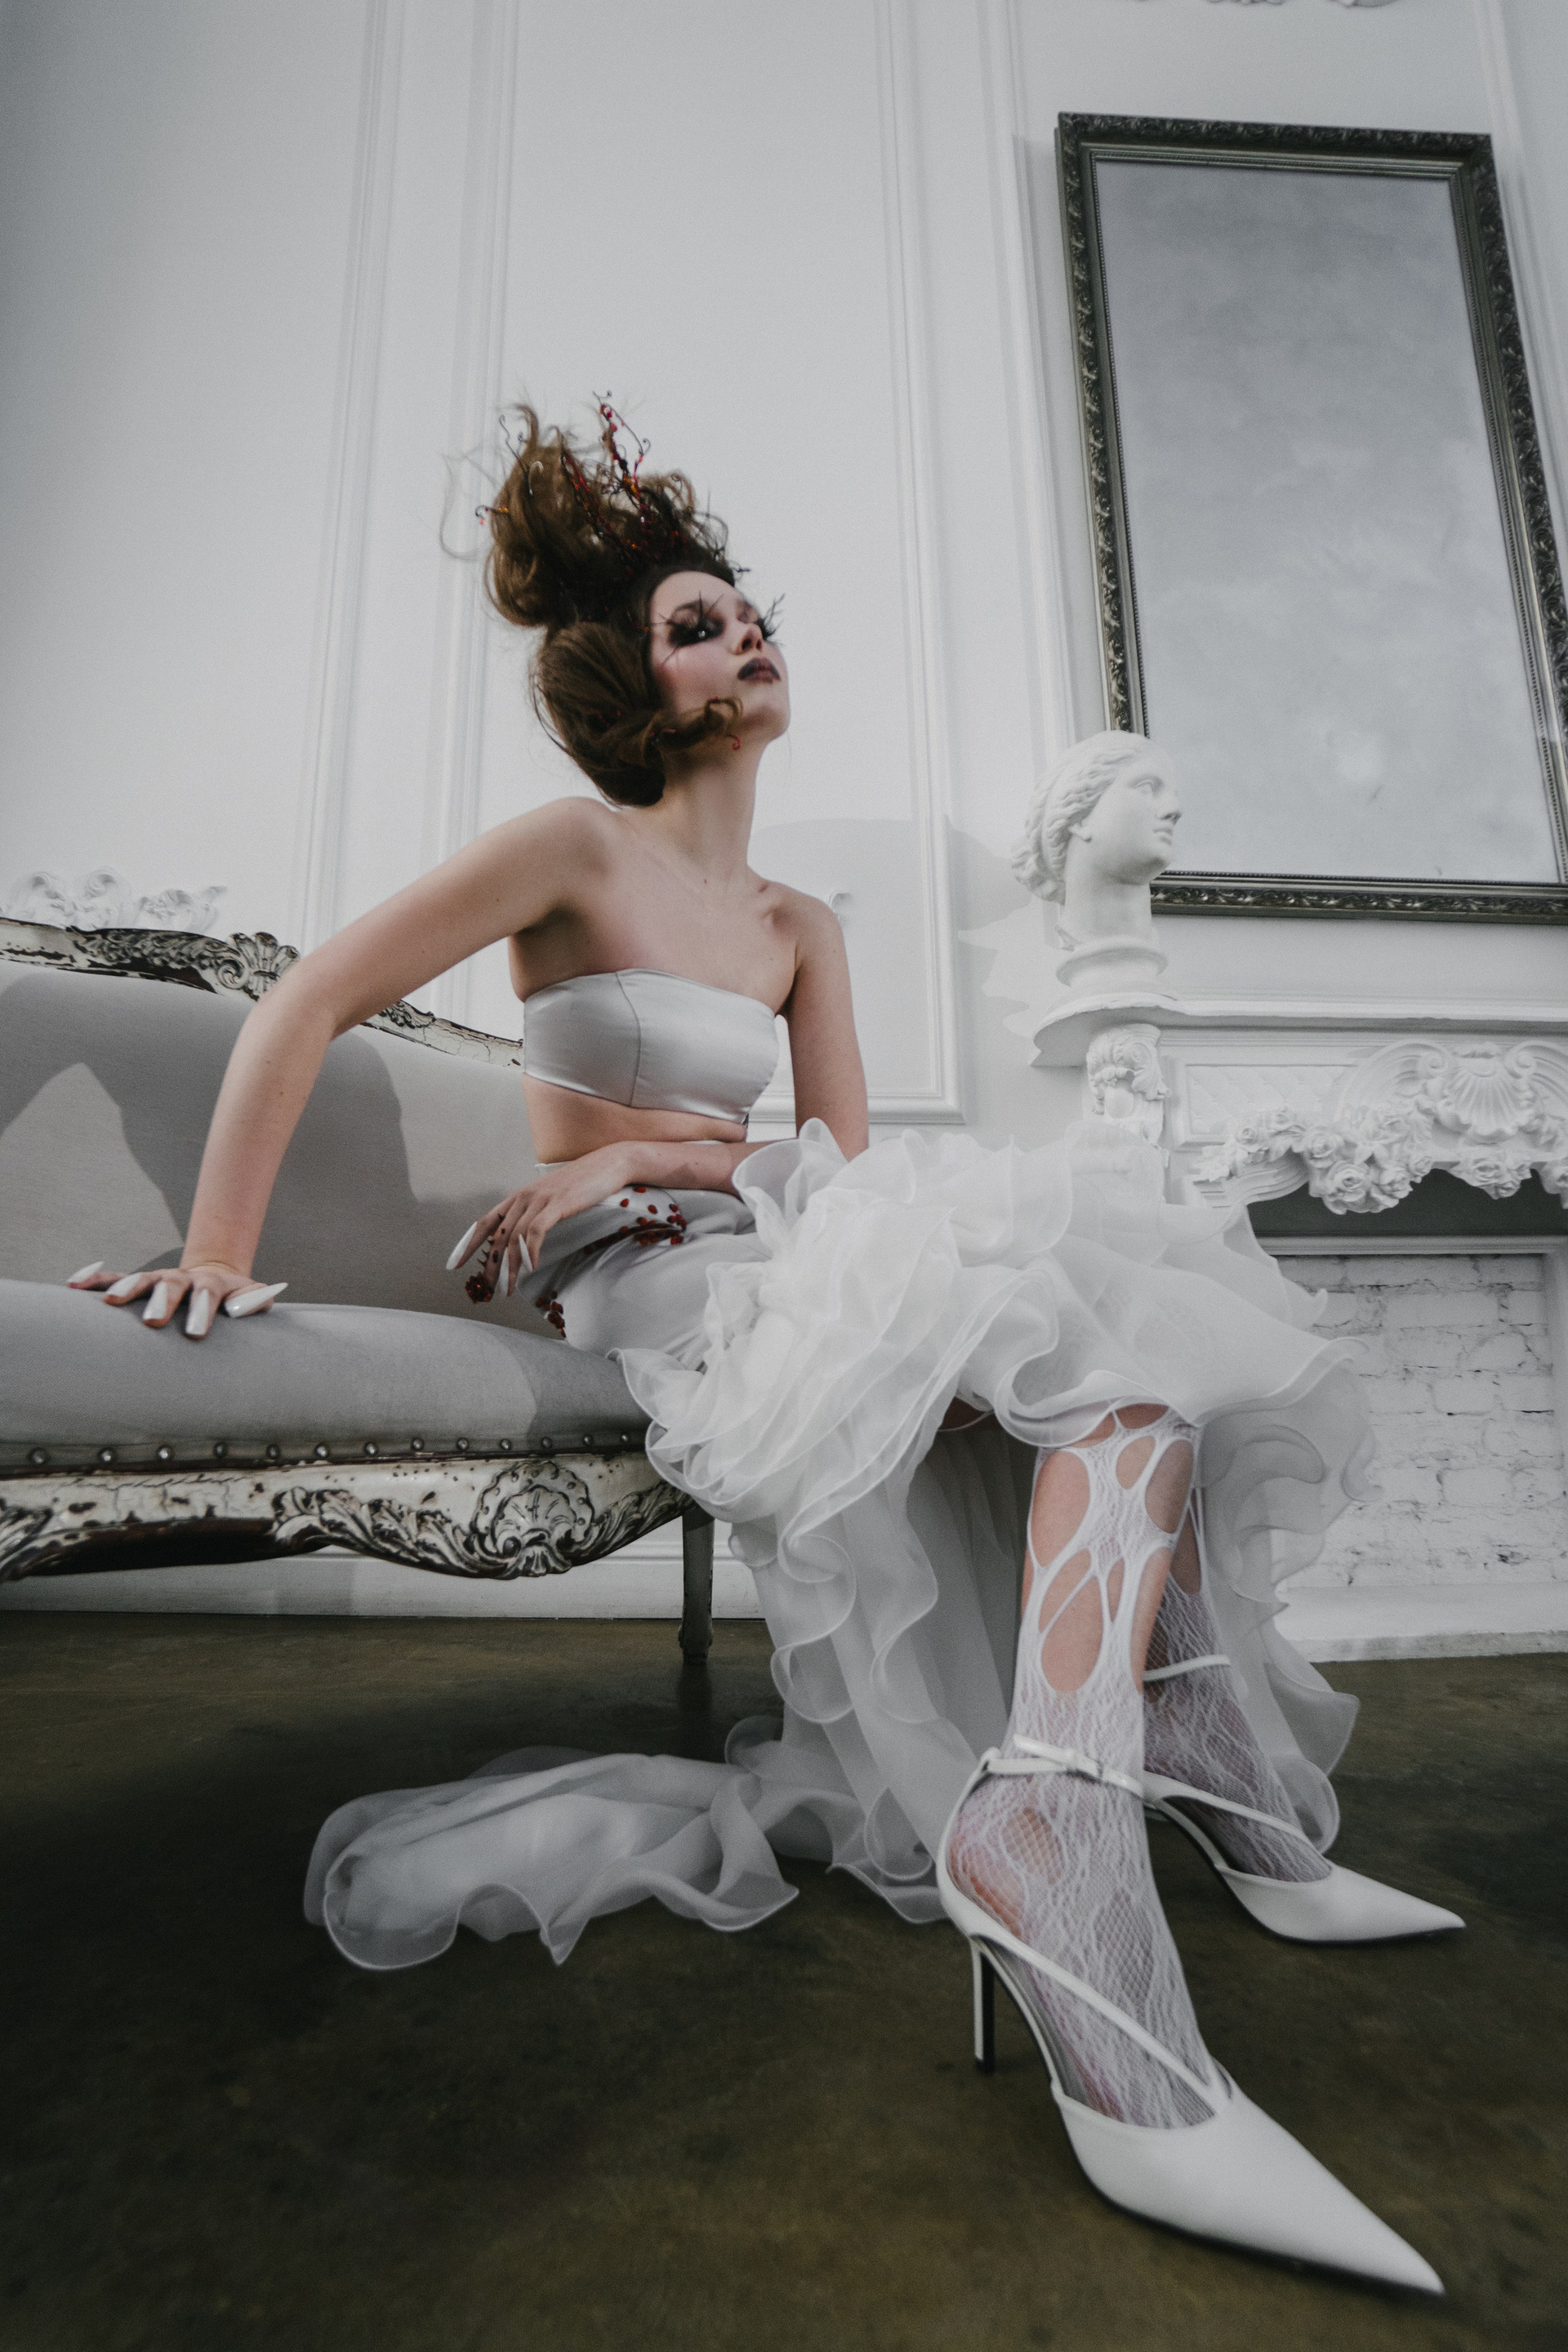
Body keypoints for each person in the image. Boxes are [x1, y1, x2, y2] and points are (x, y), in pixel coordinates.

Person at [70, 403, 1456, 2291]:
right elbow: (306, 1001)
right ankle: (1096, 1834)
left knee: (1120, 1362)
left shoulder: (801, 922)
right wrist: (223, 1252)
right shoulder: (571, 847)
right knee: (1094, 1338)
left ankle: (1153, 1797)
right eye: (697, 625)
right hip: (651, 1283)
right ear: (633, 686)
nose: (746, 637)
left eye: (746, 613)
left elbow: (845, 1170)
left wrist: (658, 1150)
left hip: (779, 1238)